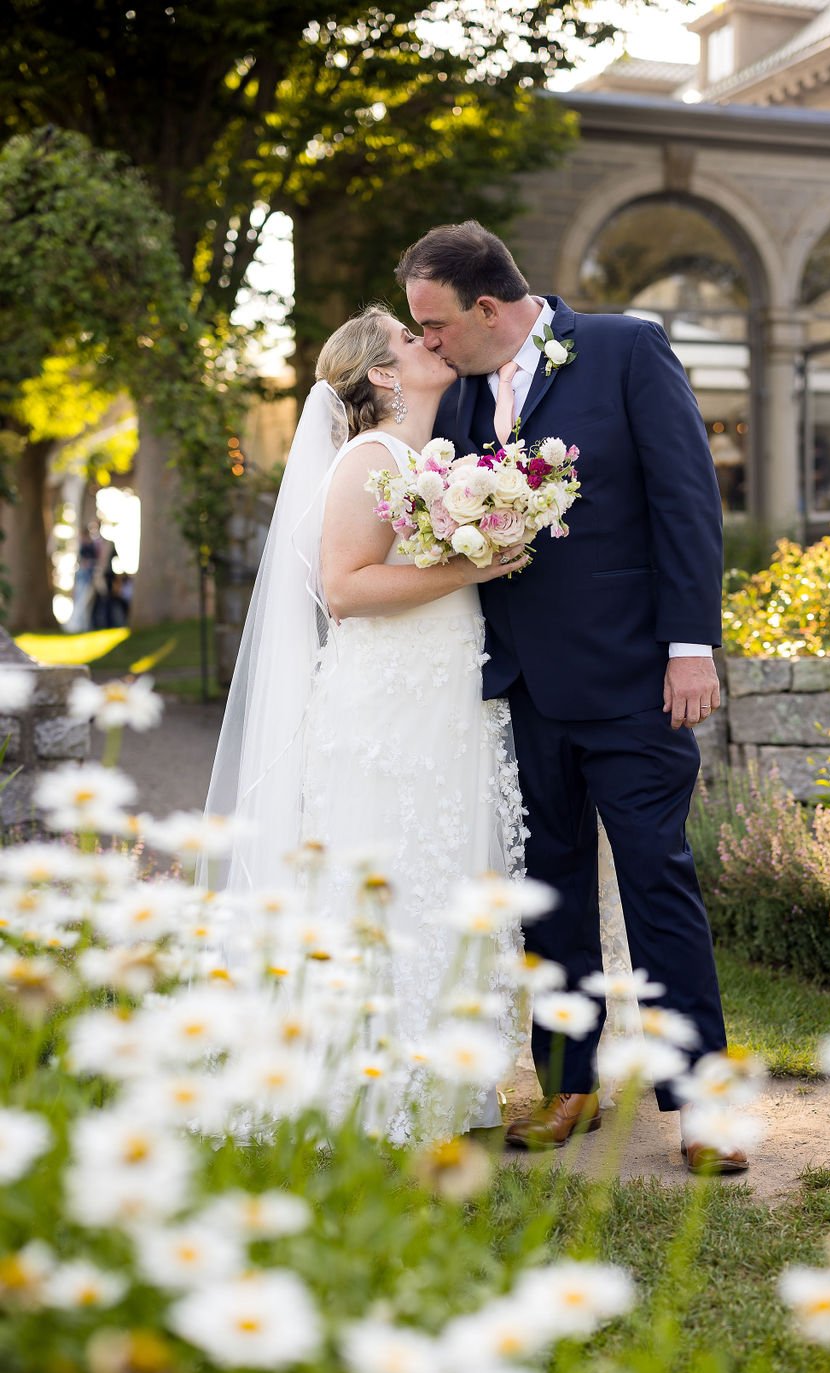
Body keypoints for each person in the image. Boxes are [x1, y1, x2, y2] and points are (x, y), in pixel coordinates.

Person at [398, 222, 744, 1173]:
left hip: (636, 682)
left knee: (655, 884)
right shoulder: (460, 393)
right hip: (522, 687)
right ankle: (570, 1087)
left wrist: (690, 646)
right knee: (548, 898)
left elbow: (686, 500)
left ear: (487, 308)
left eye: (434, 324)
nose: (425, 342)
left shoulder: (626, 349)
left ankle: (702, 1102)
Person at [204, 305, 530, 1143]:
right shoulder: (370, 458)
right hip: (387, 707)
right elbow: (345, 591)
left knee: (441, 866)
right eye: (408, 337)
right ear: (382, 374)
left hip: (442, 696)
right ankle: (368, 1082)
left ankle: (442, 1076)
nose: (430, 340)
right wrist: (475, 563)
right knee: (388, 868)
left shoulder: (427, 458)